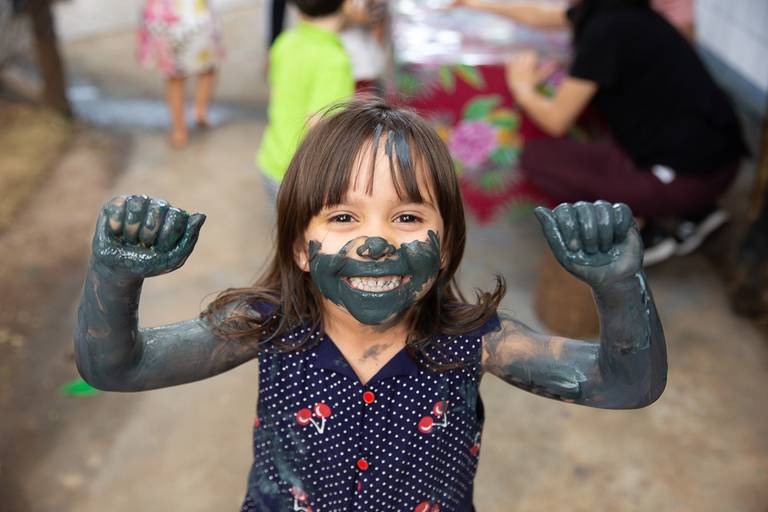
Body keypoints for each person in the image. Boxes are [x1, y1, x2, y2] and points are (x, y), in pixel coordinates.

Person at [74, 99, 667, 511]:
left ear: (445, 247)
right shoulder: (264, 327)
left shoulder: (478, 340)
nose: (376, 241)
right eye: (343, 217)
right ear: (301, 247)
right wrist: (114, 278)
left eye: (407, 217)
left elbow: (627, 385)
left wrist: (618, 286)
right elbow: (115, 368)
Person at [451, 0, 747, 265]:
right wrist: (474, 4)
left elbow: (556, 120)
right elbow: (539, 16)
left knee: (538, 157)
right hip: (720, 158)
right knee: (611, 136)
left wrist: (522, 87)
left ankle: (646, 233)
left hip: (688, 178)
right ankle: (697, 214)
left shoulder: (604, 31)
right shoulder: (619, 10)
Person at [257, 0, 355, 209]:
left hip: (271, 159)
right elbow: (320, 124)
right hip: (302, 176)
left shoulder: (284, 41)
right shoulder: (333, 61)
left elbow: (277, 91)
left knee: (285, 232)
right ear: (348, 4)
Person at [138, 0, 223, 149]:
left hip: (184, 13)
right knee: (181, 74)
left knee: (197, 70)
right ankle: (185, 122)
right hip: (177, 14)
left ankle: (193, 117)